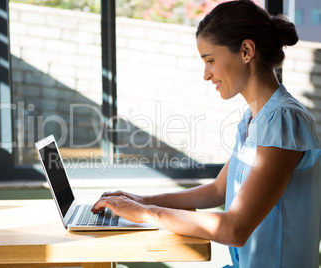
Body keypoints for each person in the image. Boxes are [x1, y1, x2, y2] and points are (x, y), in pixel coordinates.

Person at [92, 0, 321, 267]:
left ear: (246, 51)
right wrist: (139, 200)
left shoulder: (283, 120)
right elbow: (218, 190)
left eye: (210, 60)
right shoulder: (255, 118)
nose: (206, 74)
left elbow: (233, 229)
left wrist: (145, 212)